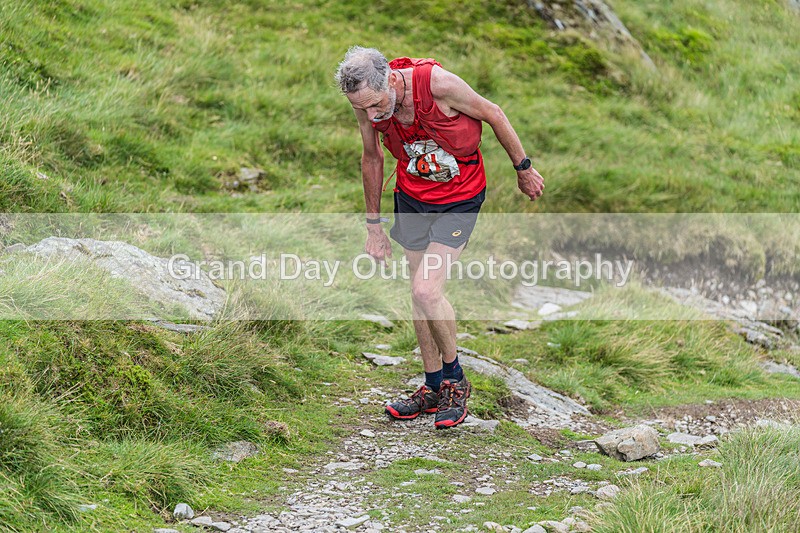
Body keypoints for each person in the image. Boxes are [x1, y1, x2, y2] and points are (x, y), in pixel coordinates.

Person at [335, 46, 544, 428]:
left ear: (390, 80)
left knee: (426, 290)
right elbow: (372, 157)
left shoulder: (437, 84)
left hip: (459, 199)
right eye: (361, 108)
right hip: (412, 197)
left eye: (375, 104)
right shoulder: (366, 101)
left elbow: (494, 113)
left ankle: (455, 380)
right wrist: (373, 226)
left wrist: (523, 168)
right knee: (418, 292)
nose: (371, 115)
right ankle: (432, 386)